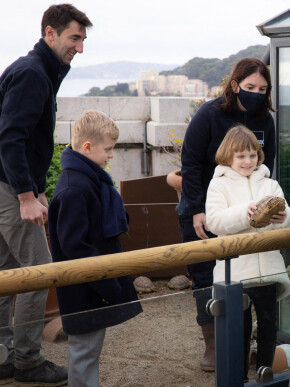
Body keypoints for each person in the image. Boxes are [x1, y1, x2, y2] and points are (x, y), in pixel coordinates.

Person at [0, 4, 92, 385]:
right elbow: (10, 139)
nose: (80, 48)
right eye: (74, 38)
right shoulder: (34, 74)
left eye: (83, 40)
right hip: (9, 190)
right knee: (39, 273)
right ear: (50, 34)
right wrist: (25, 196)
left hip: (5, 186)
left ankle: (5, 355)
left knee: (7, 275)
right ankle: (27, 361)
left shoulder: (36, 70)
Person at [179, 57, 276, 371]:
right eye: (249, 87)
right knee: (207, 277)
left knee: (246, 279)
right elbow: (190, 163)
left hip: (247, 212)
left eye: (262, 89)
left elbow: (266, 165)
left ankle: (248, 347)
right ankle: (213, 346)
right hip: (205, 207)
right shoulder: (210, 114)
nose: (256, 93)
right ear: (235, 85)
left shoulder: (265, 120)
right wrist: (196, 210)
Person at [48, 111, 143, 387]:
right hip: (85, 285)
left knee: (89, 348)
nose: (111, 155)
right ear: (87, 147)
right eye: (108, 149)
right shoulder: (75, 189)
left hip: (91, 282)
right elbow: (74, 245)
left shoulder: (87, 180)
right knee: (84, 350)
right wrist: (107, 279)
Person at [205, 125, 290, 378]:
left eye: (252, 155)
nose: (248, 161)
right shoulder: (218, 185)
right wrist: (246, 213)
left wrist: (283, 218)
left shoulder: (271, 184)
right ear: (228, 156)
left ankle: (266, 377)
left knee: (269, 329)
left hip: (269, 270)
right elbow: (214, 222)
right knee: (239, 332)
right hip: (236, 275)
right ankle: (240, 378)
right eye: (241, 156)